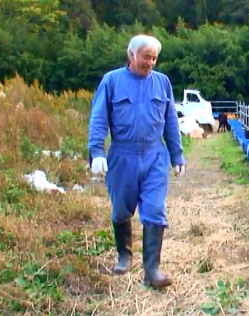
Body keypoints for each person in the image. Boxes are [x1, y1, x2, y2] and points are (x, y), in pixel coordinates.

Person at [87, 34, 186, 289]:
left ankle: (152, 269)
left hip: (155, 156)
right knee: (121, 209)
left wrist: (177, 154)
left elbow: (171, 121)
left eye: (154, 58)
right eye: (146, 57)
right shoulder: (112, 82)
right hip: (123, 156)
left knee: (155, 210)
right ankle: (124, 255)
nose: (150, 62)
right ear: (131, 55)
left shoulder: (162, 83)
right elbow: (99, 117)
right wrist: (97, 151)